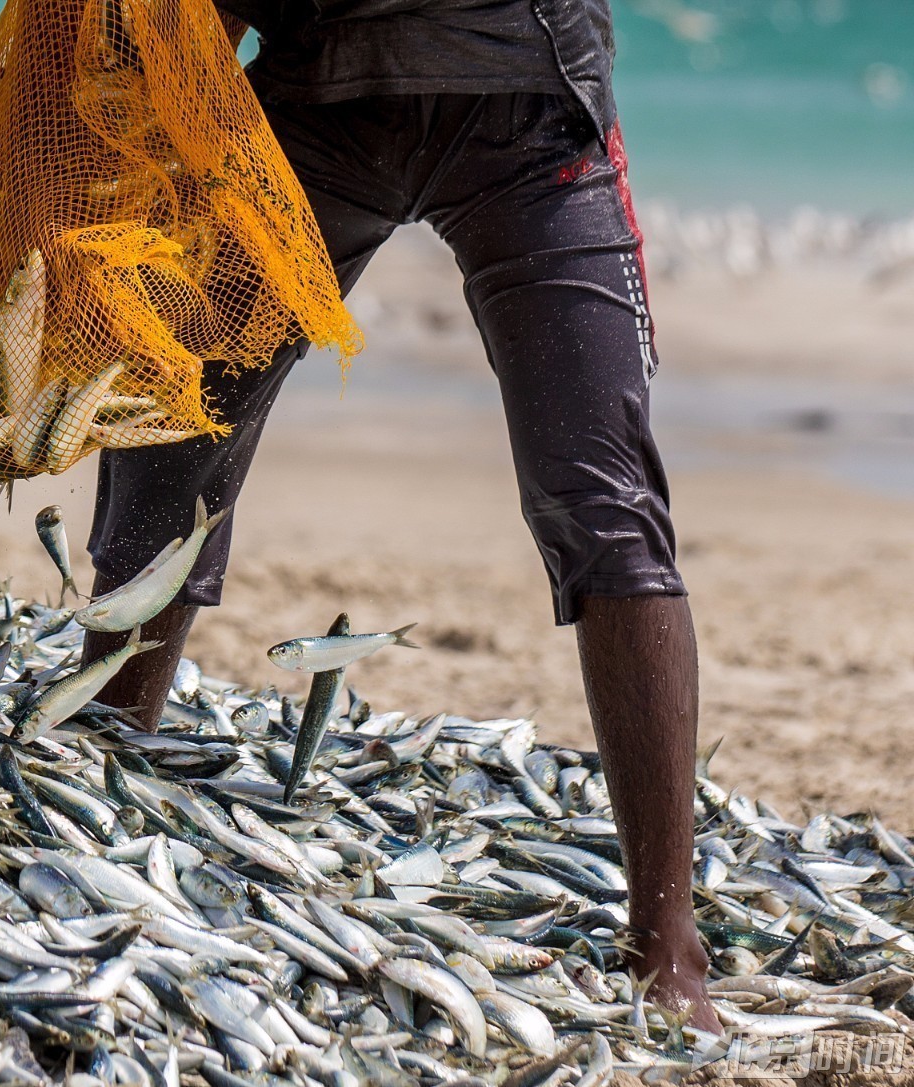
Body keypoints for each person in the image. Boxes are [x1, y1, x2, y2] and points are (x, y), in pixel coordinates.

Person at [81, 0, 720, 1030]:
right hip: (314, 106)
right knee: (169, 435)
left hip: (531, 107)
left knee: (603, 506)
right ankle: (99, 775)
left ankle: (666, 945)